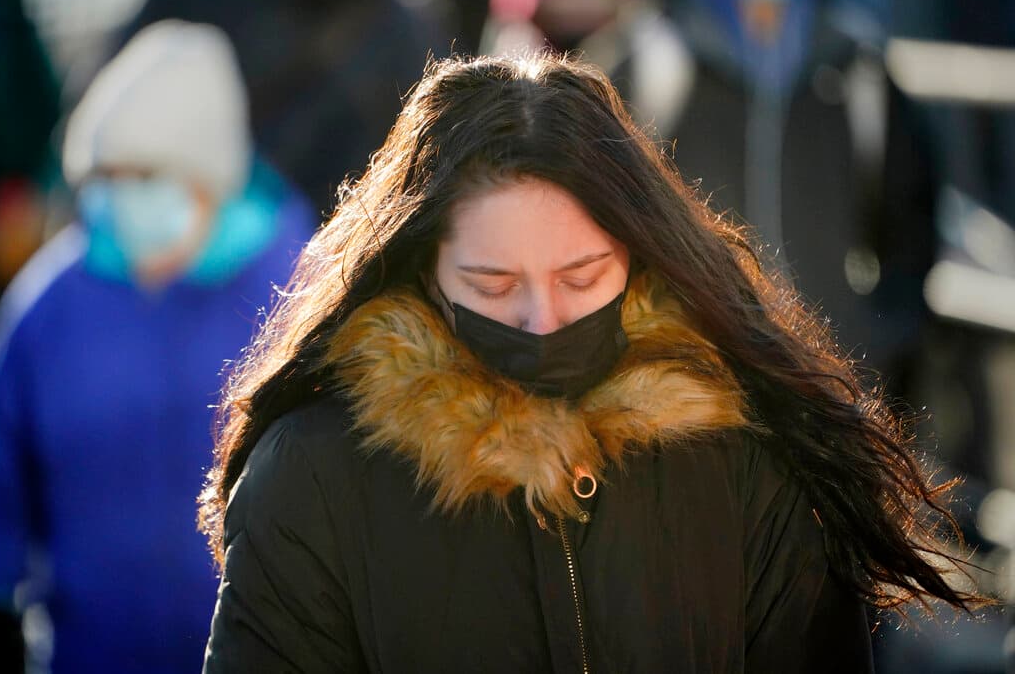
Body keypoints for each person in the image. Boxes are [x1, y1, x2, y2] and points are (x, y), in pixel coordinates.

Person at [199, 53, 981, 673]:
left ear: (640, 259)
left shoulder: (745, 447)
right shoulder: (314, 471)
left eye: (581, 278)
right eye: (493, 285)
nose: (543, 318)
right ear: (421, 269)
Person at [0, 21, 312, 672]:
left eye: (151, 175)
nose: (127, 199)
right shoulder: (49, 307)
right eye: (111, 176)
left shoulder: (297, 290)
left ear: (211, 176)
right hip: (88, 653)